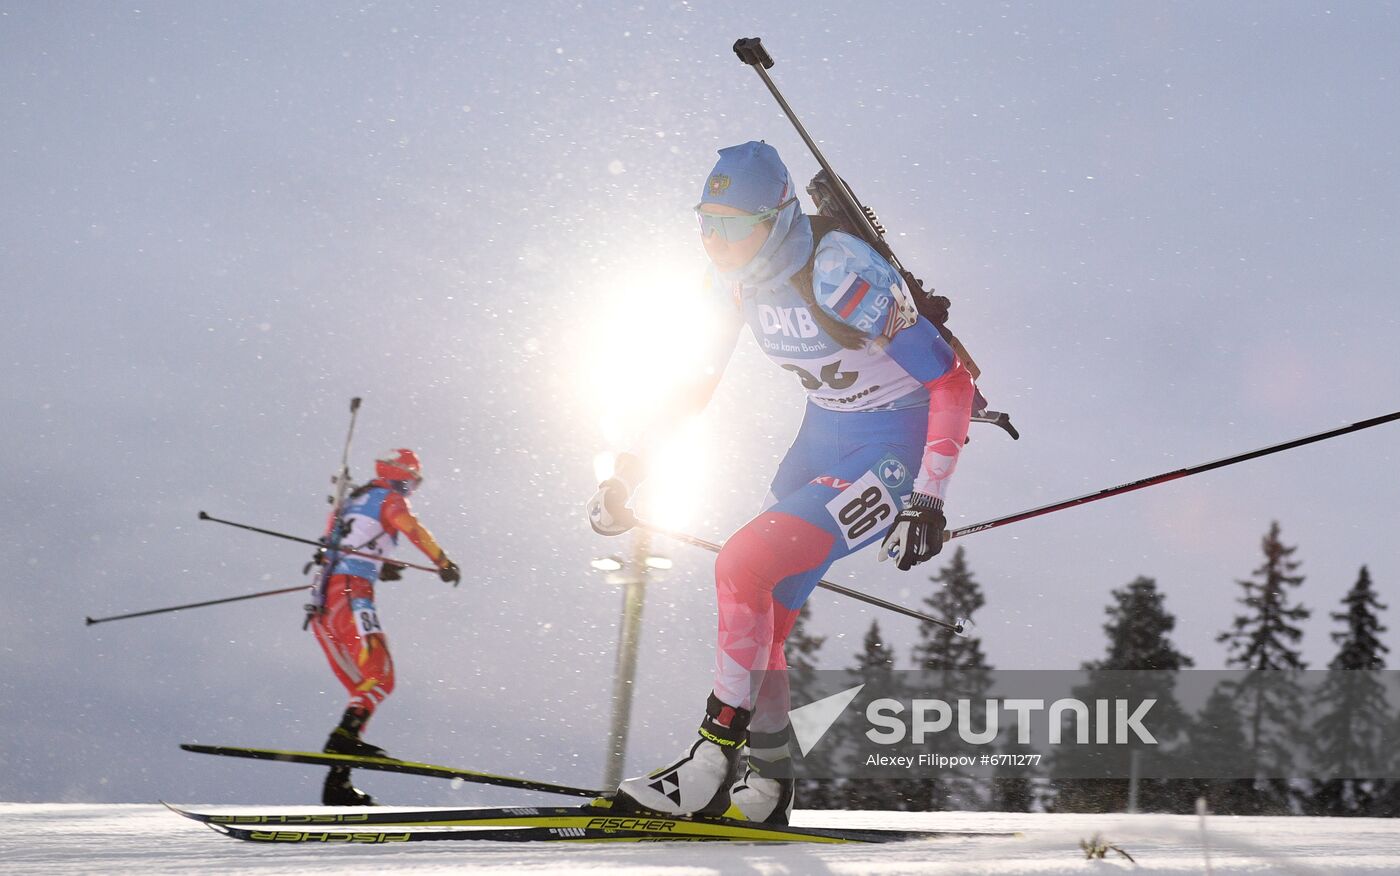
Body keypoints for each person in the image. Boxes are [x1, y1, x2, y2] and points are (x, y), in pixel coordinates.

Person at [586, 141, 974, 824]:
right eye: (705, 222)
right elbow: (691, 388)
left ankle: (708, 766)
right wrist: (631, 467)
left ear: (779, 216)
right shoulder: (728, 280)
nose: (716, 239)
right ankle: (767, 788)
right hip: (821, 436)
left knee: (740, 566)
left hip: (890, 448)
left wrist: (928, 497)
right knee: (762, 618)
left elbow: (950, 381)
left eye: (734, 224)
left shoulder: (840, 274)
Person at [308, 448, 461, 805]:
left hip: (322, 603)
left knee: (364, 689)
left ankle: (338, 783)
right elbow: (411, 527)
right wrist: (442, 561)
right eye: (414, 479)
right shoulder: (389, 499)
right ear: (402, 475)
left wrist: (380, 564)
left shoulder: (355, 498)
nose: (413, 487)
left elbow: (340, 541)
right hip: (351, 593)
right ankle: (343, 744)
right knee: (381, 674)